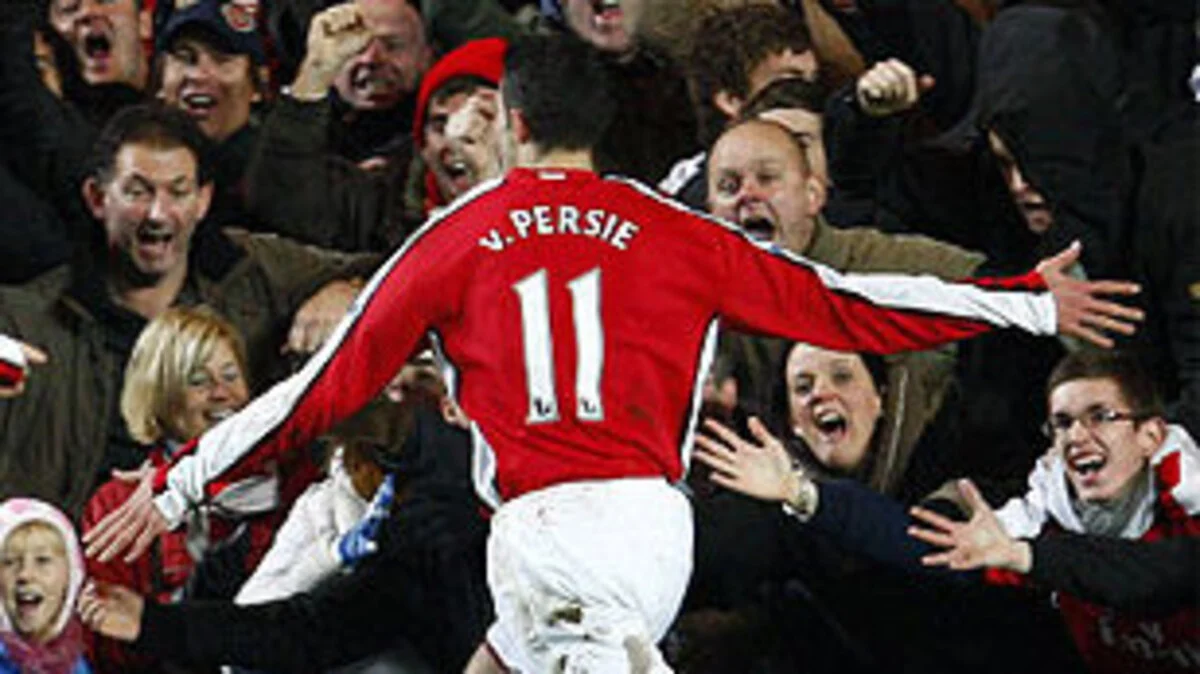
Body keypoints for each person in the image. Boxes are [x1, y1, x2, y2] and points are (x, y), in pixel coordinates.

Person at [81, 35, 1140, 674]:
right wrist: (1025, 305)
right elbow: (851, 303)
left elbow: (325, 388)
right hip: (651, 530)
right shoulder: (676, 230)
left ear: (517, 121)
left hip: (545, 529)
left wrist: (177, 486)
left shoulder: (457, 237)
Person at [697, 350, 1198, 674]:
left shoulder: (1189, 492)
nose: (1077, 437)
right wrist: (801, 492)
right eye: (1063, 423)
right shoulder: (1043, 507)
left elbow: (1161, 578)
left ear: (1150, 435)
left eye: (1100, 417)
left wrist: (1028, 557)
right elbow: (916, 540)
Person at [0, 103, 379, 516]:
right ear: (97, 198)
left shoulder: (253, 273)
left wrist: (349, 291)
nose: (158, 213)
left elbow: (399, 275)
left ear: (203, 200)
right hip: (66, 544)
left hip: (234, 540)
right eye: (138, 192)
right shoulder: (29, 318)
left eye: (177, 192)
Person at [0, 498, 91, 674]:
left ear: (71, 576)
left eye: (43, 560)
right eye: (9, 562)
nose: (25, 574)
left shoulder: (77, 661)